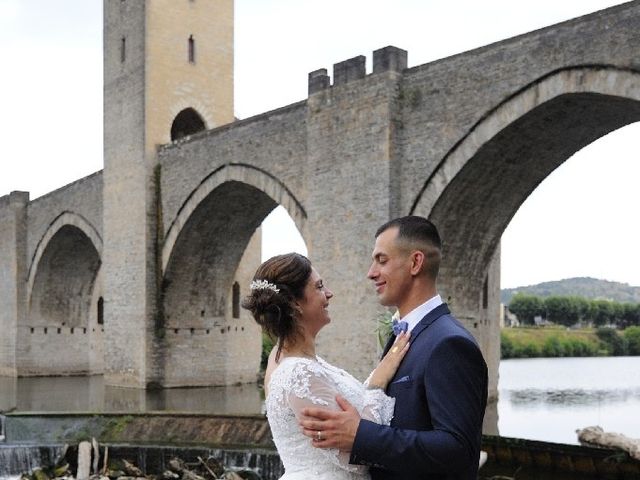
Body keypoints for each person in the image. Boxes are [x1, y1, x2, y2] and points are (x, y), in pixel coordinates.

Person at [300, 216, 489, 480]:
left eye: (382, 260)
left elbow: (459, 450)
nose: (371, 272)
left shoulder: (449, 343)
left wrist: (361, 436)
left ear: (415, 263)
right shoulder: (403, 334)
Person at [242, 252, 411, 480]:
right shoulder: (298, 373)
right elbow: (355, 460)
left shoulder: (287, 358)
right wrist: (378, 383)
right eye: (319, 287)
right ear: (294, 302)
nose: (329, 294)